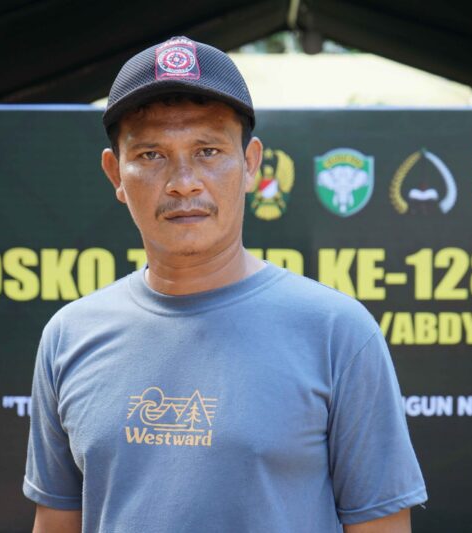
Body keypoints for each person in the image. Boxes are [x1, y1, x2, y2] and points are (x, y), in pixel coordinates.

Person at [23, 36, 427, 533]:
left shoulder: (336, 332)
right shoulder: (69, 335)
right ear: (116, 174)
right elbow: (56, 522)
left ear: (251, 163)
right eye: (151, 154)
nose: (184, 181)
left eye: (208, 151)